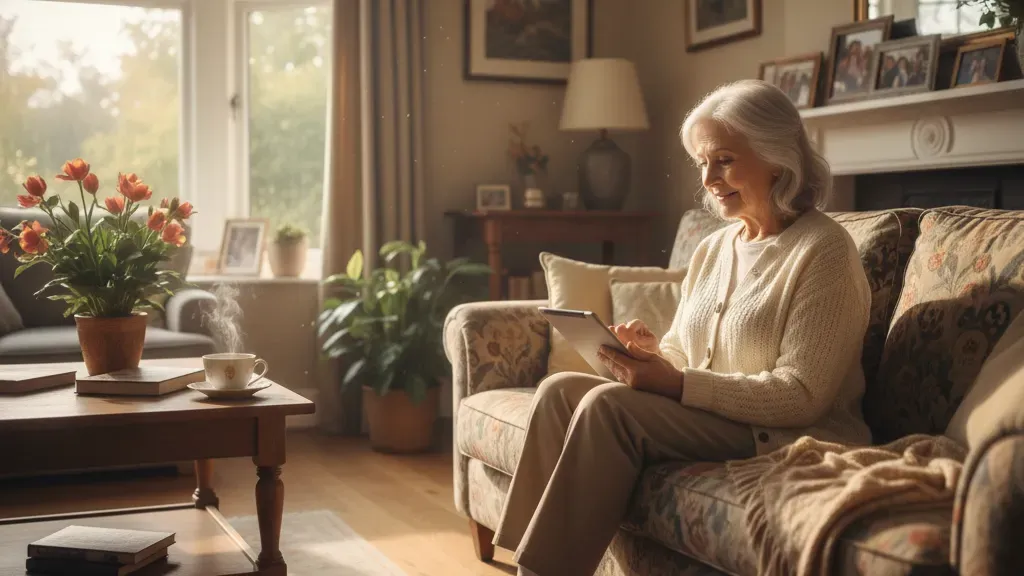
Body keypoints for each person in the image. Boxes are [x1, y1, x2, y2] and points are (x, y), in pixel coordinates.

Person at [492, 79, 873, 576]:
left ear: (778, 158)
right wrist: (653, 355)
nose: (710, 179)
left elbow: (802, 394)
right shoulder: (716, 247)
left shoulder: (823, 251)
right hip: (716, 418)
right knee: (559, 390)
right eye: (702, 163)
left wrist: (676, 382)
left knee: (608, 407)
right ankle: (525, 559)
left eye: (725, 160)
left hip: (782, 434)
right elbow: (685, 354)